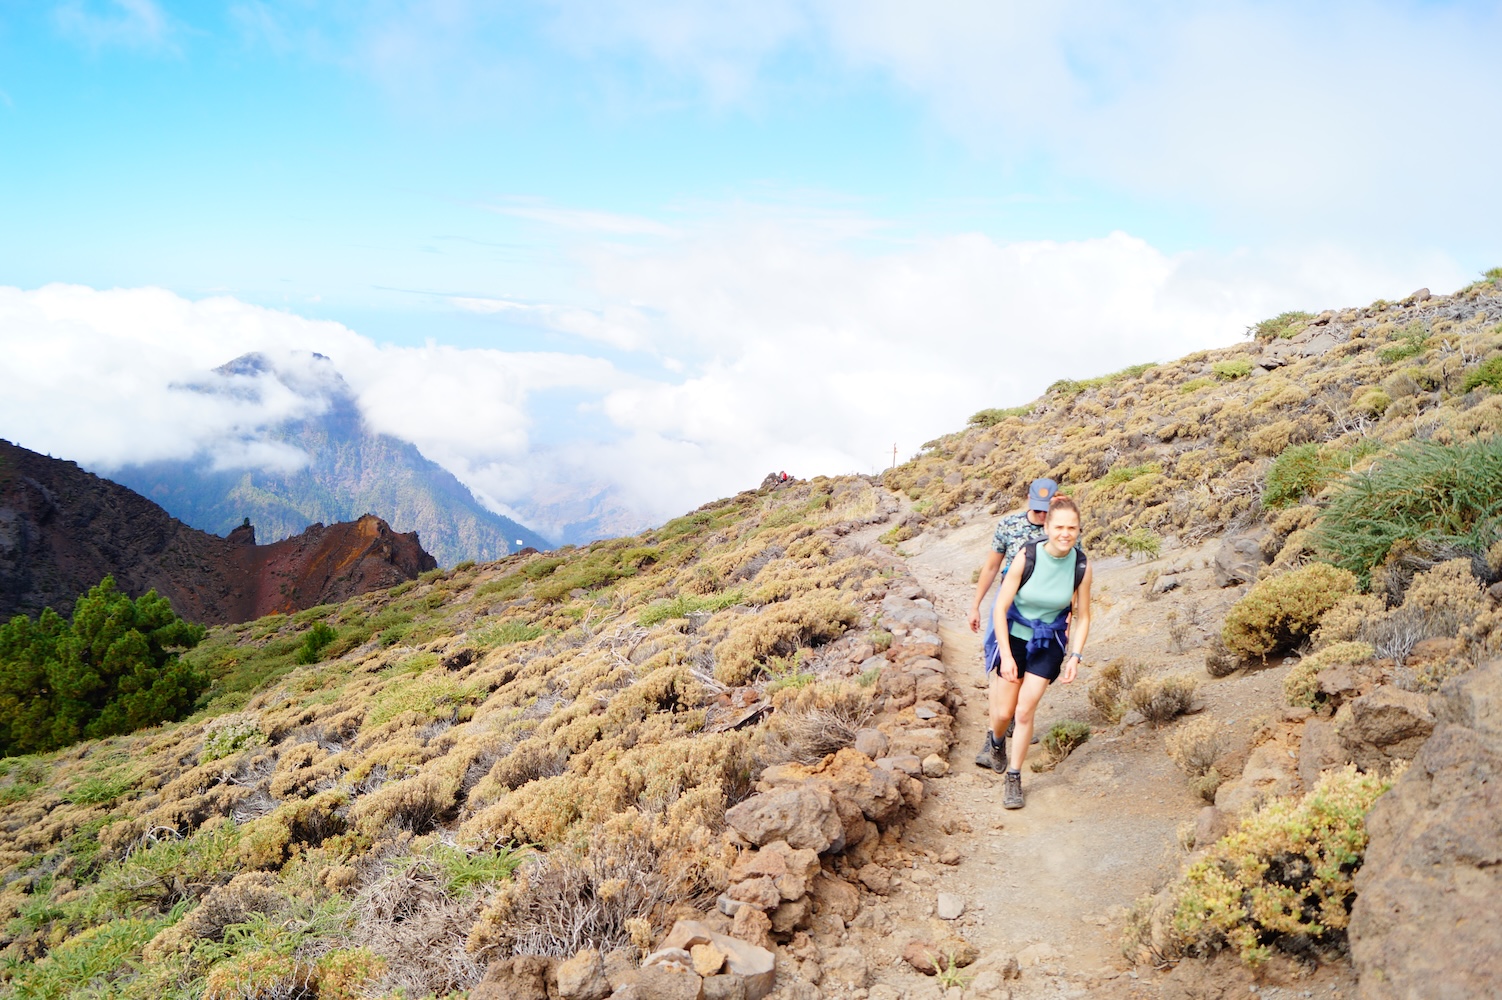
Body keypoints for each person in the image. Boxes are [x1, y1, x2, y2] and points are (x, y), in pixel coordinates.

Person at [983, 494, 1092, 809]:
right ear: (1048, 525)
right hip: (1014, 637)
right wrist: (1004, 654)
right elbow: (1001, 607)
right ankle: (996, 741)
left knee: (1024, 711)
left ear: (1078, 529)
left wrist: (1076, 655)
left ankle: (1014, 777)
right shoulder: (1027, 556)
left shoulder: (1081, 565)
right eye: (1059, 526)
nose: (1065, 534)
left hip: (1048, 642)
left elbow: (1083, 615)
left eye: (1072, 528)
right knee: (1003, 714)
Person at [969, 478, 1059, 769]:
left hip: (1043, 614)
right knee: (1001, 664)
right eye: (1038, 509)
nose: (1042, 515)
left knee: (1032, 666)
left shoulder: (1062, 532)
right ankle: (995, 728)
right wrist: (976, 604)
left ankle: (1010, 719)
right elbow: (992, 566)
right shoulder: (1009, 525)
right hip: (1008, 605)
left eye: (1048, 509)